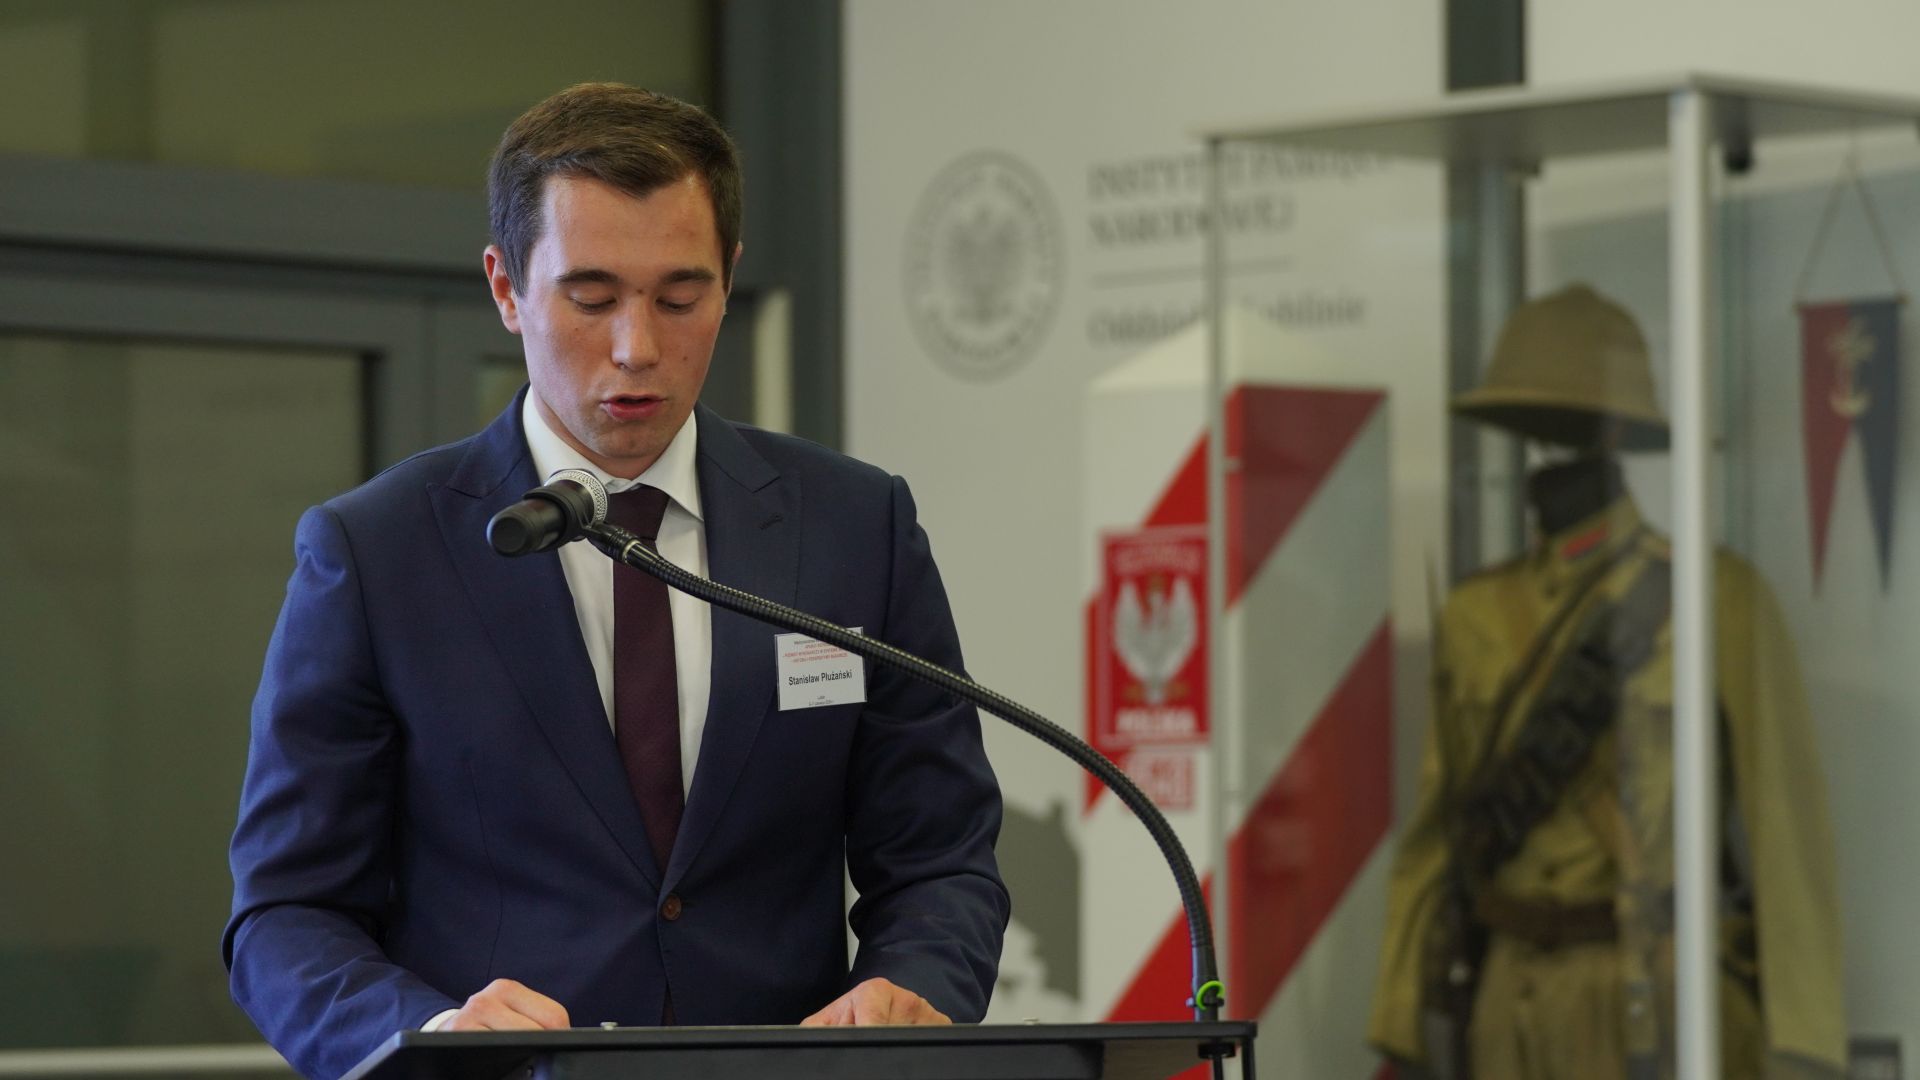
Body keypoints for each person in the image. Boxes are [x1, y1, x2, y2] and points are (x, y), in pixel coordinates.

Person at [224, 83, 1008, 1080]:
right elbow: (286, 916)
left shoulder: (856, 528)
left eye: (680, 298)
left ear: (728, 280)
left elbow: (941, 859)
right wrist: (433, 1034)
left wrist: (910, 991)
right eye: (591, 298)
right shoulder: (378, 552)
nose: (637, 347)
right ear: (506, 289)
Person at [1367, 285, 1846, 1078]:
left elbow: (1785, 833)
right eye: (1538, 430)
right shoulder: (1475, 614)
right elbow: (1436, 832)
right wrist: (1401, 1025)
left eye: (1572, 429)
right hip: (1502, 1002)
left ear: (1616, 435)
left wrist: (1802, 1046)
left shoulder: (1714, 597)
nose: (1551, 451)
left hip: (1648, 991)